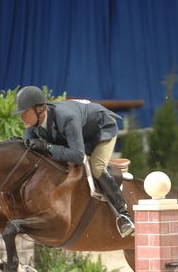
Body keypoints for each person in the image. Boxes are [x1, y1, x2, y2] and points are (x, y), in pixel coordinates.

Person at [14, 85, 135, 237]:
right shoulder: (34, 123)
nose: (21, 117)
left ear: (39, 109)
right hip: (78, 134)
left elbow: (78, 156)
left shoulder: (66, 117)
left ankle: (124, 216)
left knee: (96, 166)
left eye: (24, 112)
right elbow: (30, 143)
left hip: (101, 130)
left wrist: (47, 146)